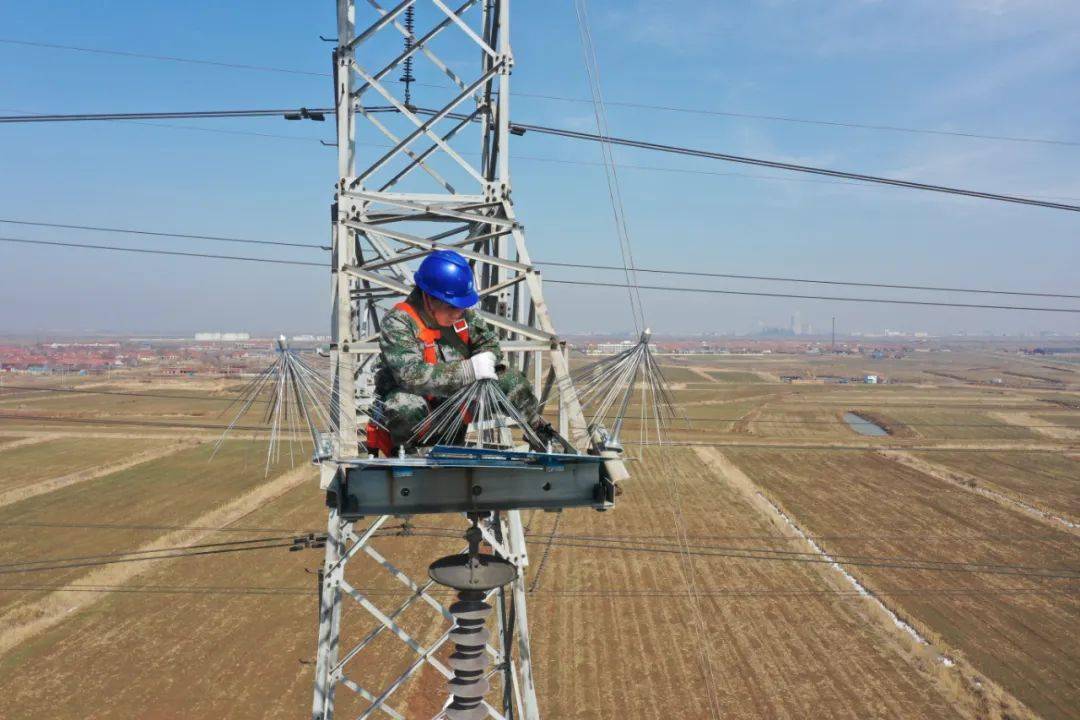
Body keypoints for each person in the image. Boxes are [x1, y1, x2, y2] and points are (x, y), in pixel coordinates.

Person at [370, 250, 553, 452]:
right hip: (420, 411)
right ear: (428, 298)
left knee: (511, 380)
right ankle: (410, 456)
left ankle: (538, 432)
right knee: (404, 404)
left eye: (461, 307)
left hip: (458, 402)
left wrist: (487, 360)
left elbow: (489, 344)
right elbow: (411, 377)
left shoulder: (463, 317)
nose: (458, 313)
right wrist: (469, 370)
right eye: (451, 307)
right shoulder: (399, 322)